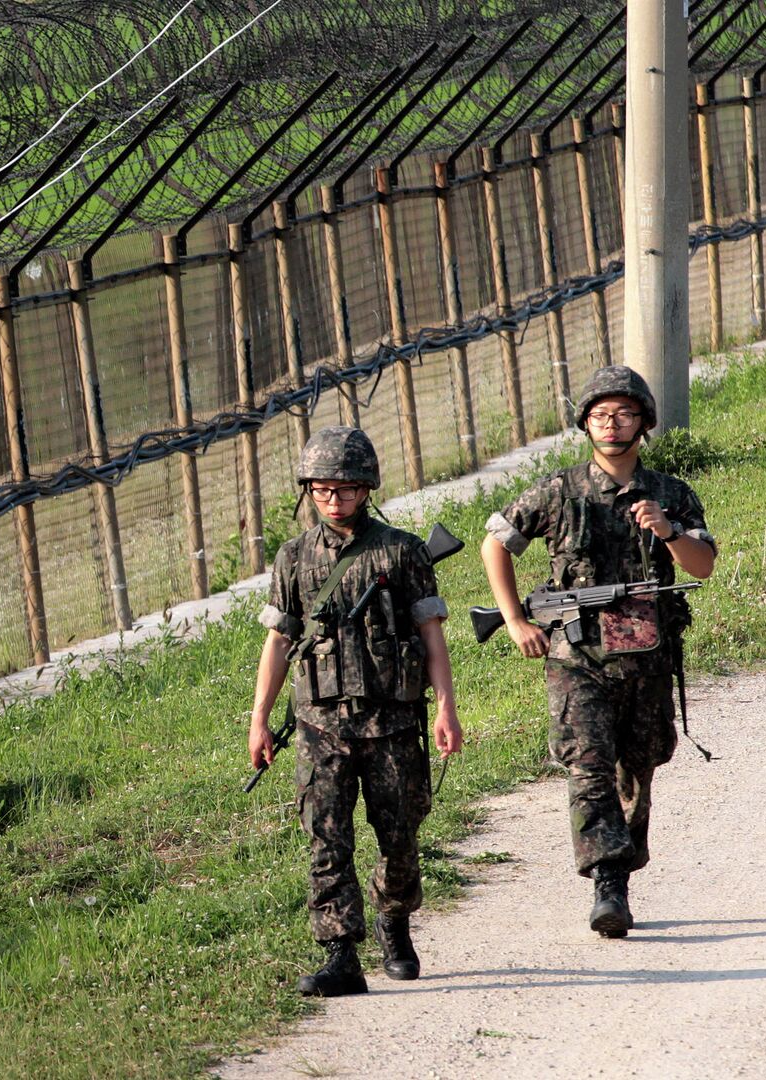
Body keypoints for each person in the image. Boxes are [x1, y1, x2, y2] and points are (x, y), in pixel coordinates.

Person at [479, 365, 717, 938]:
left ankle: (622, 873)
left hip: (648, 657)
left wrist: (668, 531)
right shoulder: (559, 491)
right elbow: (497, 542)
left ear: (644, 422)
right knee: (587, 765)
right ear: (584, 422)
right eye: (601, 415)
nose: (612, 425)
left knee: (639, 767)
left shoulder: (670, 494)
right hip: (577, 657)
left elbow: (702, 566)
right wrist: (514, 619)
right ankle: (606, 882)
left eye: (625, 414)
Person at [248, 425, 462, 996]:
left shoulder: (403, 550)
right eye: (320, 490)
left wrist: (446, 707)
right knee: (326, 837)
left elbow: (431, 634)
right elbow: (277, 642)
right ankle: (340, 953)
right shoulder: (292, 559)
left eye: (343, 489)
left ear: (366, 487)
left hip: (392, 721)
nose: (332, 500)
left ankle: (394, 920)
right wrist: (259, 718)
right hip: (321, 725)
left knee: (401, 836)